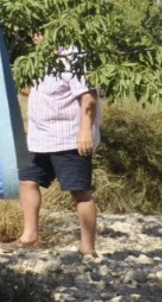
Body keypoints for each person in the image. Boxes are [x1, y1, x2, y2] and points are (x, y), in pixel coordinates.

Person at [15, 38, 102, 254]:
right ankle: (30, 237)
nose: (33, 35)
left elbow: (89, 97)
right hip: (39, 136)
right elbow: (33, 89)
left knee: (79, 190)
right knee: (27, 180)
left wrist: (85, 132)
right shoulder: (36, 57)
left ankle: (87, 248)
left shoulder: (73, 56)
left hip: (68, 136)